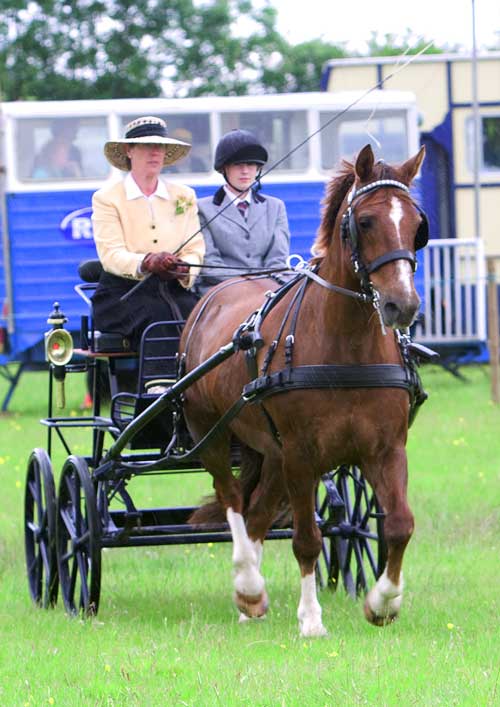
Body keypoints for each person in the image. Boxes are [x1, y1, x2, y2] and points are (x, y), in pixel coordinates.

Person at [89, 115, 205, 396]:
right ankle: (159, 392)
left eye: (160, 147)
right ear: (129, 151)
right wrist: (146, 262)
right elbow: (111, 254)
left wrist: (183, 267)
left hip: (174, 288)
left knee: (205, 316)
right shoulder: (107, 198)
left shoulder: (183, 196)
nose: (155, 153)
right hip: (123, 294)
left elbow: (195, 247)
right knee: (158, 317)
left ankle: (207, 390)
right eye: (146, 146)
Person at [196, 129, 290, 295]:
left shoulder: (275, 207)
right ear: (224, 169)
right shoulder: (202, 209)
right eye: (238, 165)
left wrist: (263, 287)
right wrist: (248, 286)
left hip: (267, 292)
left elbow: (277, 260)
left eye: (251, 165)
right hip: (222, 292)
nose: (245, 171)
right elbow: (210, 265)